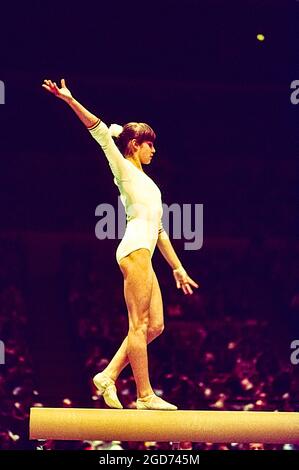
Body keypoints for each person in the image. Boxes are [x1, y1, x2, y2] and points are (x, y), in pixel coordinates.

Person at [42, 78, 199, 410]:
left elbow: (158, 231)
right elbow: (99, 131)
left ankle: (108, 375)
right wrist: (70, 100)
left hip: (147, 253)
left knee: (155, 326)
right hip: (133, 252)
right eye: (150, 145)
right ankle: (144, 396)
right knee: (138, 326)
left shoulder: (150, 185)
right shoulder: (124, 170)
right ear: (135, 145)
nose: (154, 150)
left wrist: (178, 268)